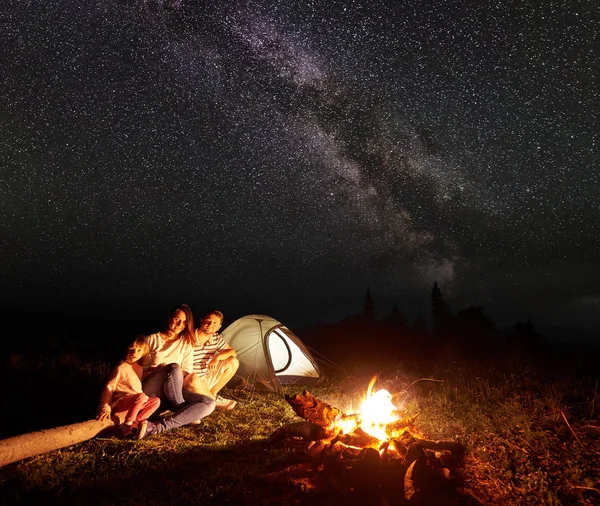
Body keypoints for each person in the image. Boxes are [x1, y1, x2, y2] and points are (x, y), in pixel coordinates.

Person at [140, 303, 215, 437]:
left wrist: (174, 372)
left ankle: (156, 427)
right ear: (169, 318)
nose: (180, 325)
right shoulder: (151, 340)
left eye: (184, 322)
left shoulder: (186, 343)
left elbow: (186, 371)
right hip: (152, 390)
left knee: (209, 402)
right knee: (173, 367)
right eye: (177, 320)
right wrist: (156, 369)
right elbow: (138, 371)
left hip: (173, 390)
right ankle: (182, 411)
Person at [96, 335, 161, 438]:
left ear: (144, 352)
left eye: (139, 350)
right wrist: (105, 405)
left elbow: (134, 380)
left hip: (136, 401)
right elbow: (109, 387)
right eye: (132, 348)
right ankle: (126, 426)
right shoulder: (120, 368)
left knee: (156, 401)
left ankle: (136, 422)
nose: (135, 353)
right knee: (141, 396)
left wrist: (156, 370)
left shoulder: (139, 367)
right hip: (121, 402)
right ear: (125, 349)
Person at [184, 310, 239, 410]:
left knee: (233, 362)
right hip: (190, 381)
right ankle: (213, 400)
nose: (210, 325)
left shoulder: (215, 338)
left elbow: (232, 352)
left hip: (206, 376)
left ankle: (209, 395)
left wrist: (217, 357)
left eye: (215, 323)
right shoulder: (189, 337)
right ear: (202, 321)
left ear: (219, 327)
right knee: (193, 378)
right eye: (208, 321)